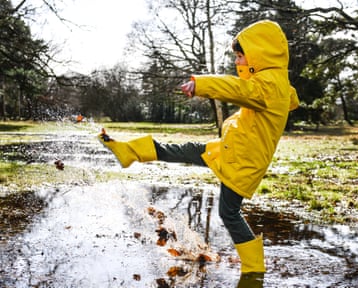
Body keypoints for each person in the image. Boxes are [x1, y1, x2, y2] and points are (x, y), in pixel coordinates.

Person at [98, 19, 299, 274]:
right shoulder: (275, 83)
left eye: (240, 56)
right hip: (233, 150)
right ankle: (130, 152)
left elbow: (236, 88)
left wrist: (201, 84)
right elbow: (287, 98)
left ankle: (254, 268)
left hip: (242, 160)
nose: (237, 62)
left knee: (229, 213)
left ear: (261, 55)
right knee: (187, 150)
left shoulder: (267, 85)